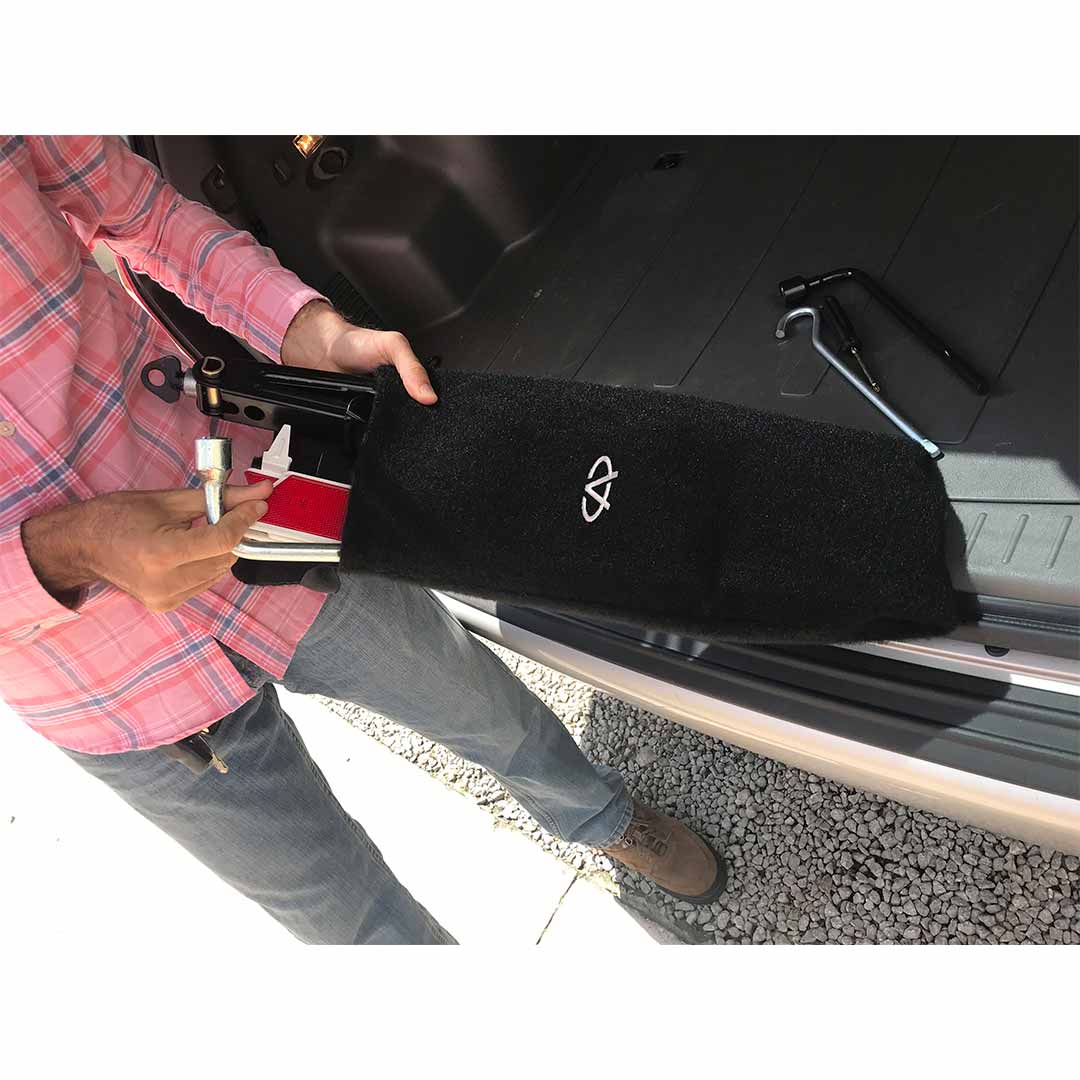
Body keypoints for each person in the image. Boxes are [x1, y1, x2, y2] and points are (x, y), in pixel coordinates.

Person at [0, 135, 727, 943]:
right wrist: (64, 551)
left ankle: (599, 816)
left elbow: (147, 216)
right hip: (95, 683)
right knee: (356, 929)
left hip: (265, 506)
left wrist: (299, 324)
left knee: (482, 707)